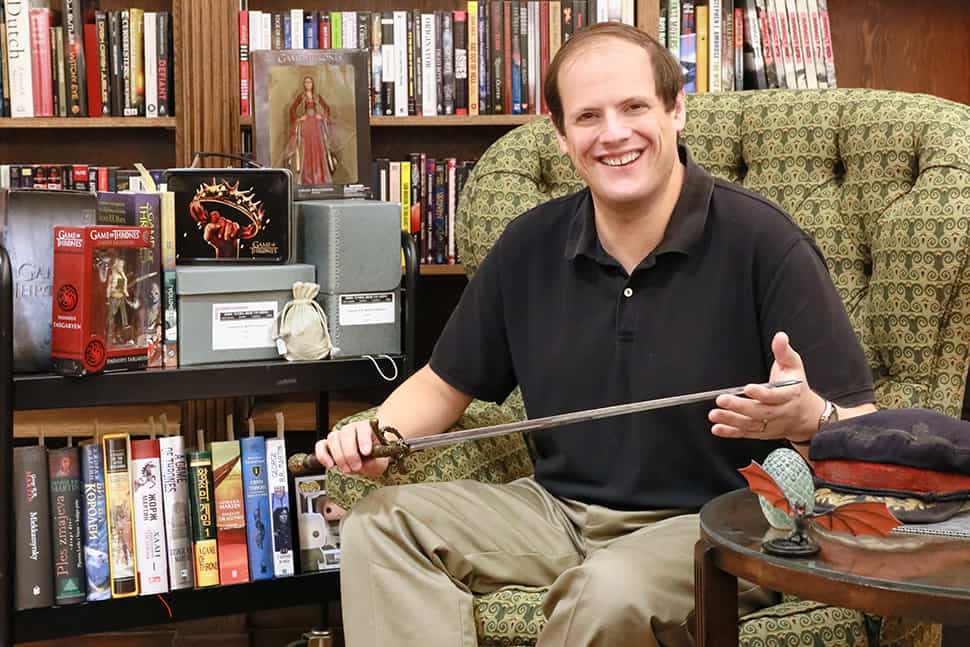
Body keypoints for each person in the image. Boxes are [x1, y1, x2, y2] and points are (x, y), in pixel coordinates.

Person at [317, 23, 877, 647]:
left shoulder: (766, 243)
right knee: (382, 525)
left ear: (676, 110)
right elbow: (443, 385)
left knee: (604, 592)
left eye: (634, 107)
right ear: (562, 137)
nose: (613, 133)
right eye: (588, 116)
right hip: (556, 509)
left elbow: (860, 421)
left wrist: (808, 417)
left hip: (719, 519)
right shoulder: (528, 245)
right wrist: (375, 438)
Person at [279, 75, 336, 186]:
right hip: (306, 125)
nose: (308, 84)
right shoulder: (302, 96)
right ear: (304, 84)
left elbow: (327, 108)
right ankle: (307, 178)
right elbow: (292, 109)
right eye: (306, 82)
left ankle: (319, 177)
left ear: (312, 84)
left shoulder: (317, 96)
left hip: (315, 124)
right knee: (307, 149)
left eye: (309, 82)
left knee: (318, 148)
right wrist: (299, 118)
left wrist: (322, 116)